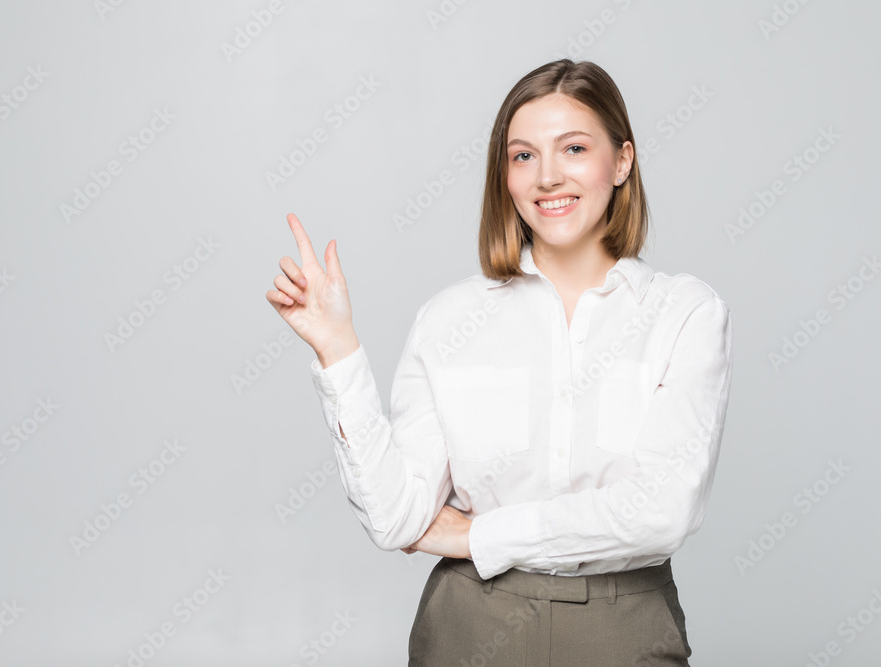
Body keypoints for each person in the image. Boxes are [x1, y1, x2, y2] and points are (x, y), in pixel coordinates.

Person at [266, 59, 732, 666]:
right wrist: (338, 350)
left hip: (625, 628)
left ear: (621, 161)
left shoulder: (685, 313)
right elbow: (396, 516)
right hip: (470, 625)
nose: (547, 176)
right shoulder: (449, 317)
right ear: (504, 176)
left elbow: (661, 514)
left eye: (573, 148)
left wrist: (478, 535)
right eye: (523, 156)